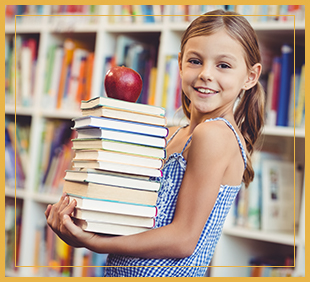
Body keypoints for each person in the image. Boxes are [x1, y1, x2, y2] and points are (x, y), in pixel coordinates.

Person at [45, 9, 265, 277]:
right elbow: (135, 219)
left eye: (223, 65)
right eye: (195, 61)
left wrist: (95, 243)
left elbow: (183, 240)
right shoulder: (170, 134)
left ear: (250, 77)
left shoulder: (215, 135)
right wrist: (77, 221)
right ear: (181, 63)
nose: (206, 74)